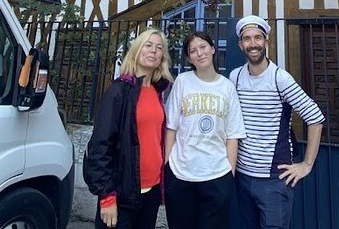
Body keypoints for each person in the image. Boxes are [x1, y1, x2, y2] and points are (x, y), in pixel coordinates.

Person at [229, 15, 325, 229]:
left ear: (266, 42)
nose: (252, 44)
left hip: (274, 179)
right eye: (247, 39)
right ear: (240, 44)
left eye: (257, 38)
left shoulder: (279, 78)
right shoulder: (235, 77)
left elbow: (315, 117)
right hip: (243, 176)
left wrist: (307, 165)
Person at [83, 28, 173, 229]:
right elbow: (100, 146)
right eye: (148, 45)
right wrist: (106, 196)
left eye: (159, 48)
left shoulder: (158, 92)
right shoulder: (120, 90)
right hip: (122, 194)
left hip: (151, 192)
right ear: (137, 50)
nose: (154, 51)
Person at [164, 31, 247, 229]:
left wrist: (229, 174)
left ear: (213, 49)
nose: (199, 53)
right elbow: (171, 127)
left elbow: (233, 135)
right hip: (180, 173)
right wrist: (167, 164)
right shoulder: (182, 82)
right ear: (189, 57)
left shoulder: (227, 87)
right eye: (193, 51)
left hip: (217, 174)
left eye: (203, 47)